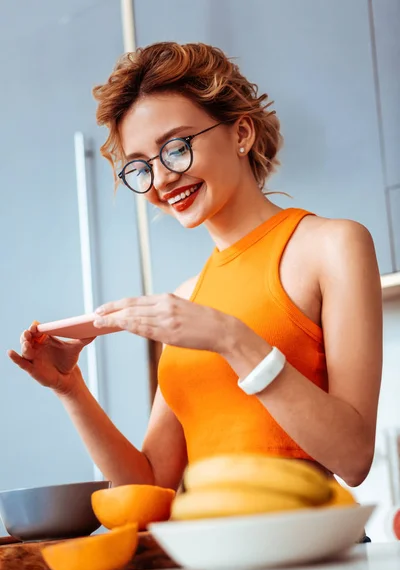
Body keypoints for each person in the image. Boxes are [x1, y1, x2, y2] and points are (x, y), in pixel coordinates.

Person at [8, 42, 383, 493]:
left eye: (176, 148)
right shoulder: (188, 300)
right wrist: (70, 389)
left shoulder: (332, 245)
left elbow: (354, 457)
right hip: (209, 554)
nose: (162, 178)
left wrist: (228, 338)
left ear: (241, 133)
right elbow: (152, 485)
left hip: (311, 550)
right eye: (140, 166)